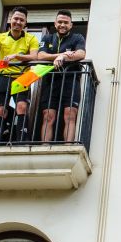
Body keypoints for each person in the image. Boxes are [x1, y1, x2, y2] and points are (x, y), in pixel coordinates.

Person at [0, 6, 41, 143]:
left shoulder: (31, 38)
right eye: (16, 18)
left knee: (22, 107)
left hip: (22, 77)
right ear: (10, 20)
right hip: (3, 76)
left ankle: (22, 140)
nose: (18, 22)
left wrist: (17, 56)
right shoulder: (0, 37)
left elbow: (34, 56)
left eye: (22, 20)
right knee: (0, 109)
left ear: (25, 23)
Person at [37, 9, 87, 142]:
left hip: (70, 80)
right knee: (48, 115)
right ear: (55, 23)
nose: (62, 25)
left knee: (70, 115)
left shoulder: (77, 37)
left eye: (66, 22)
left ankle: (68, 147)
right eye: (60, 22)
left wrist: (63, 57)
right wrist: (61, 55)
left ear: (71, 25)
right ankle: (44, 148)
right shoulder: (47, 38)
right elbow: (41, 55)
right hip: (50, 81)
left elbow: (81, 54)